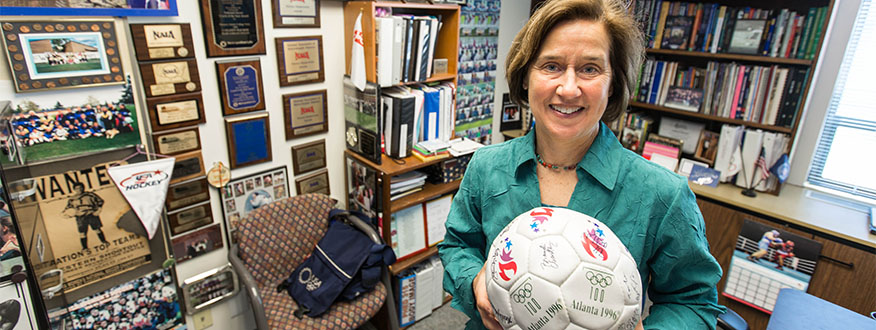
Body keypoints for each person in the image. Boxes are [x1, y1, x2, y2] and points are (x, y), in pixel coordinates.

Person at [437, 1, 725, 329]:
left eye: (589, 69)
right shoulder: (486, 167)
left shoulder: (663, 193)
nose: (569, 89)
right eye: (551, 66)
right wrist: (475, 282)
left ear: (613, 82)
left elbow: (693, 301)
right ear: (526, 76)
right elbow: (458, 244)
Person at [63, 182, 109, 249]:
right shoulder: (72, 199)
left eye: (81, 187)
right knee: (82, 233)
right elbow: (68, 208)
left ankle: (104, 242)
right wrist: (65, 214)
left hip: (91, 214)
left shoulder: (90, 195)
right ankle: (85, 248)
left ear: (83, 187)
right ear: (74, 189)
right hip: (80, 217)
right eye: (77, 188)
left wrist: (98, 210)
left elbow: (100, 201)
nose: (79, 189)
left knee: (97, 229)